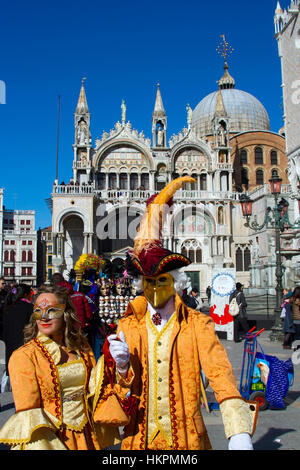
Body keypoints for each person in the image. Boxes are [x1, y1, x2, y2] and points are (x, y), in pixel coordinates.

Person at [107, 177, 258, 451]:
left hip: (187, 441)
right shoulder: (128, 326)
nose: (154, 288)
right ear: (141, 285)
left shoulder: (197, 325)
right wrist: (121, 367)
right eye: (148, 282)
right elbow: (118, 391)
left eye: (161, 281)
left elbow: (221, 376)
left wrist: (238, 431)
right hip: (138, 441)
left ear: (176, 283)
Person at [0, 285, 121, 450]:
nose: (44, 317)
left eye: (51, 311)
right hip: (51, 440)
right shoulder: (24, 356)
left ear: (66, 314)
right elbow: (30, 414)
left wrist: (118, 364)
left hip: (88, 437)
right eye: (38, 311)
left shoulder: (82, 347)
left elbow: (97, 389)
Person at [2, 284, 33, 377]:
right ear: (26, 294)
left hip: (10, 344)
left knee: (13, 371)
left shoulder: (7, 307)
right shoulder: (30, 308)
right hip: (24, 344)